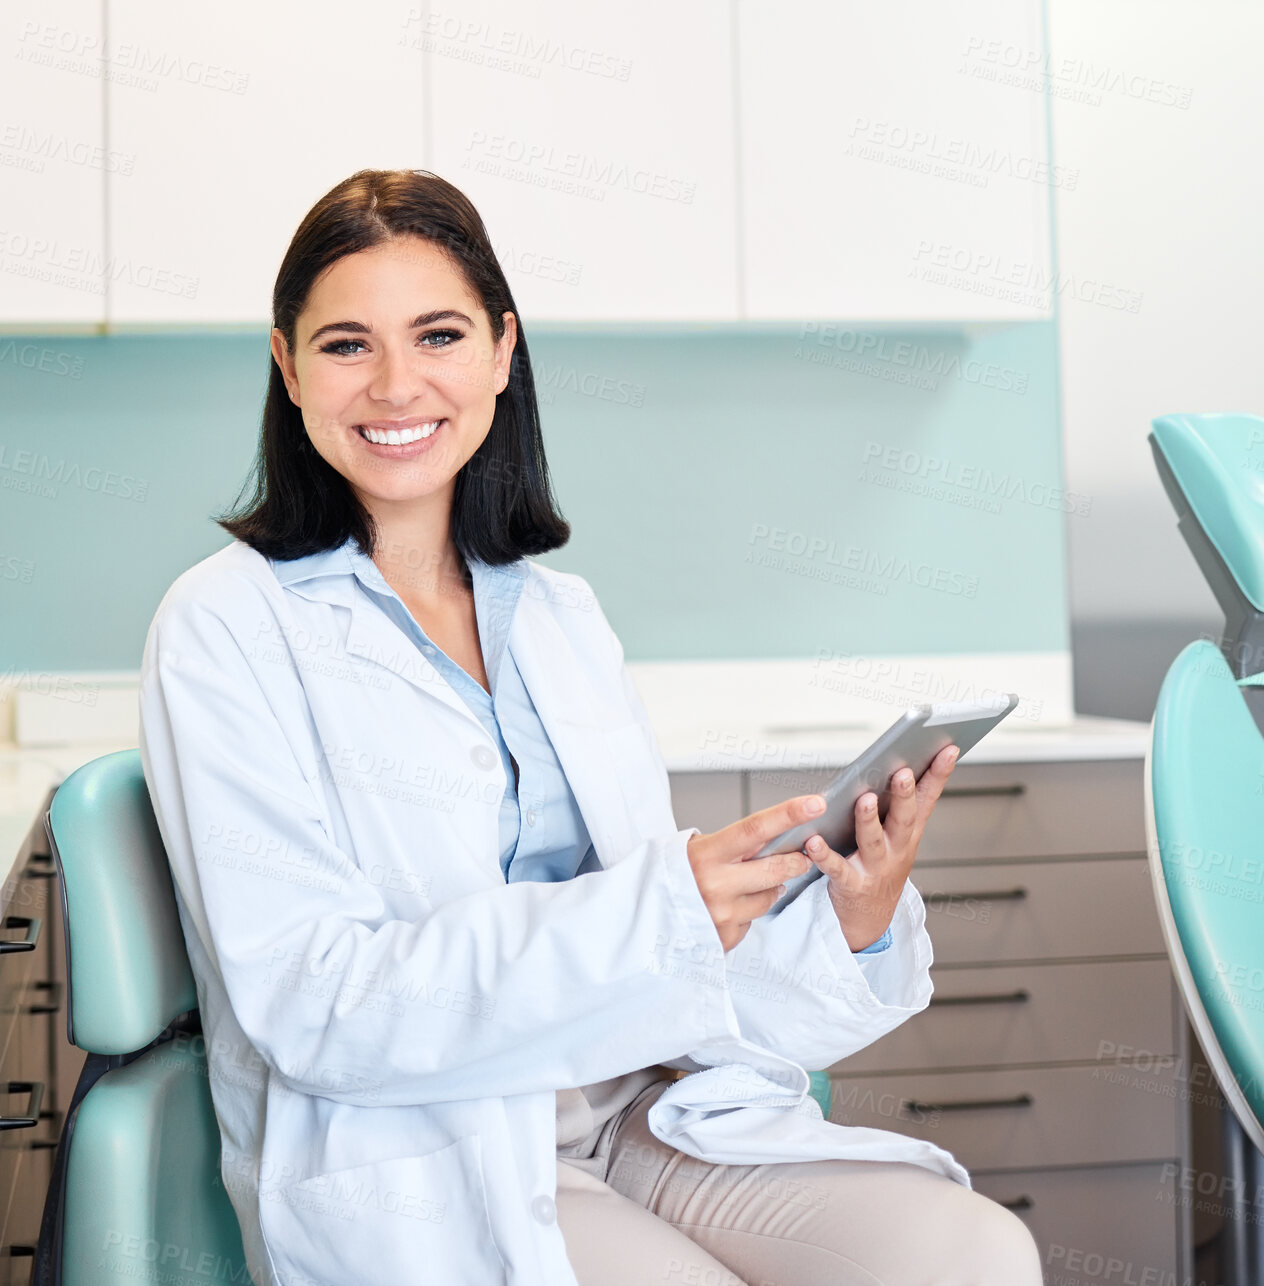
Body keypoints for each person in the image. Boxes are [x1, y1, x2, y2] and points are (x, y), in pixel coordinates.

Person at [137, 168, 1042, 1286]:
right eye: (344, 345)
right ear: (287, 365)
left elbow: (669, 967)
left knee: (970, 1252)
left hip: (645, 1106)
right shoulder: (225, 625)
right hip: (428, 1146)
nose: (395, 383)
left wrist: (842, 920)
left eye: (438, 334)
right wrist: (661, 907)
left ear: (503, 351)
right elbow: (313, 1002)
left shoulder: (560, 616)